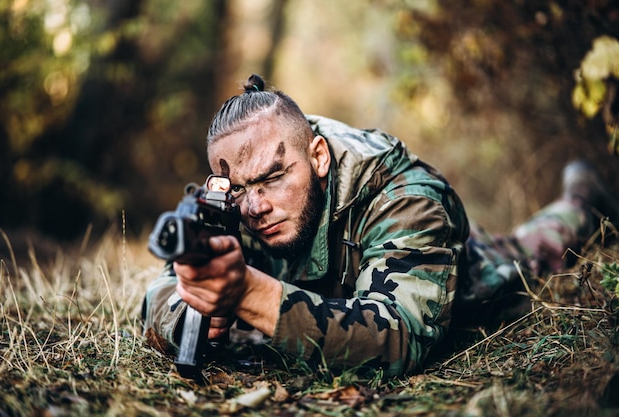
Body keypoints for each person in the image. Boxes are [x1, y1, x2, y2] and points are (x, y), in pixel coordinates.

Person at [142, 74, 617, 377]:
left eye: (273, 177)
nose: (255, 206)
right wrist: (195, 315)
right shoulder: (241, 197)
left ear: (318, 157)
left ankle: (580, 199)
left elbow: (399, 337)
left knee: (532, 249)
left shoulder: (407, 199)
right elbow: (157, 296)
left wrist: (246, 293)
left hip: (461, 275)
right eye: (241, 189)